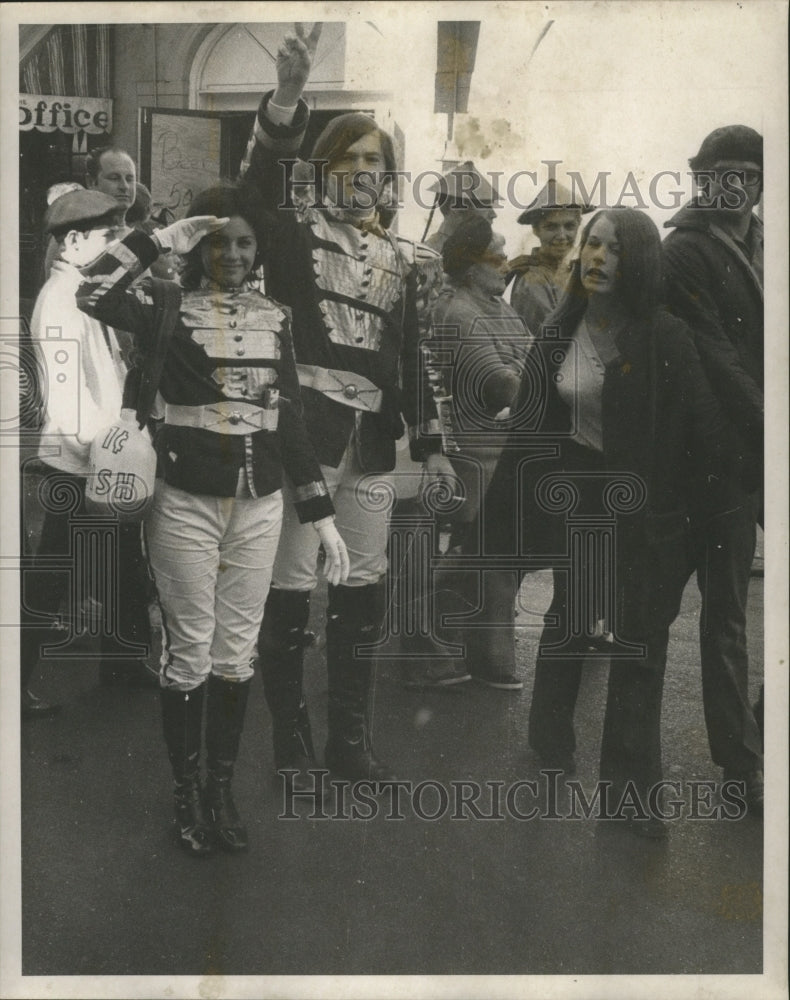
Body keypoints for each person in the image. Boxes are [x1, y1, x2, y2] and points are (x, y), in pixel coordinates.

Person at [76, 182, 349, 856]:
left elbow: (291, 425)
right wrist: (162, 238)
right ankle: (186, 789)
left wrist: (321, 516)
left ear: (258, 249)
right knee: (190, 649)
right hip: (184, 499)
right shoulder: (166, 303)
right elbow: (92, 292)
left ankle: (221, 787)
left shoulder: (277, 316)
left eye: (243, 241)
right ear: (201, 245)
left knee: (236, 652)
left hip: (258, 502)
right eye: (217, 240)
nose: (230, 252)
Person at [239, 23, 455, 788]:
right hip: (301, 434)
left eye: (376, 161)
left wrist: (433, 446)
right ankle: (290, 739)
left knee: (363, 583)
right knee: (294, 583)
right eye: (349, 159)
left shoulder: (408, 259)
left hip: (370, 441)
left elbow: (414, 360)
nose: (363, 172)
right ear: (324, 170)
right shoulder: (289, 233)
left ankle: (350, 741)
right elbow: (253, 192)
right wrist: (288, 99)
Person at [483, 208, 731, 838]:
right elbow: (529, 431)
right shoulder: (560, 331)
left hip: (648, 513)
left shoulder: (666, 336)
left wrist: (707, 516)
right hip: (578, 503)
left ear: (639, 261)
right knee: (569, 617)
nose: (595, 256)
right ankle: (551, 744)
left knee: (640, 644)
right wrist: (500, 523)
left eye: (613, 248)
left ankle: (630, 795)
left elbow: (703, 434)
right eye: (591, 244)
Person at [662, 125, 764, 815]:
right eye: (720, 172)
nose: (735, 185)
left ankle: (749, 751)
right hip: (703, 463)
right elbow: (716, 360)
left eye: (748, 173)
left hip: (750, 456)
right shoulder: (684, 251)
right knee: (693, 617)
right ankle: (732, 768)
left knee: (739, 617)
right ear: (699, 179)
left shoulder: (764, 246)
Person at [21, 190, 152, 718]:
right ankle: (14, 683)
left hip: (98, 456)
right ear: (74, 241)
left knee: (123, 566)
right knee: (51, 578)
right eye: (106, 238)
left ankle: (122, 661)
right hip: (81, 463)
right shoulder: (60, 300)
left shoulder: (79, 290)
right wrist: (104, 461)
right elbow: (68, 394)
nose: (112, 248)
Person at [404, 215, 531, 689]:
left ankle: (458, 655)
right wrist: (526, 371)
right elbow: (502, 384)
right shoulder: (458, 311)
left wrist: (525, 369)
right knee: (482, 557)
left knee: (488, 558)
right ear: (471, 264)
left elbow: (533, 365)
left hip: (499, 450)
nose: (505, 264)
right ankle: (439, 653)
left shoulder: (497, 306)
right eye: (496, 257)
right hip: (472, 453)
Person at [507, 179, 592, 334]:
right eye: (551, 227)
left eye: (569, 226)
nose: (562, 236)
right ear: (536, 230)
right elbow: (552, 339)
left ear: (579, 225)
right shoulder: (533, 280)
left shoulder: (575, 271)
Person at [423, 160, 499, 253]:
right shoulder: (431, 254)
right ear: (456, 208)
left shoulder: (474, 251)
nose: (494, 215)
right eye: (486, 206)